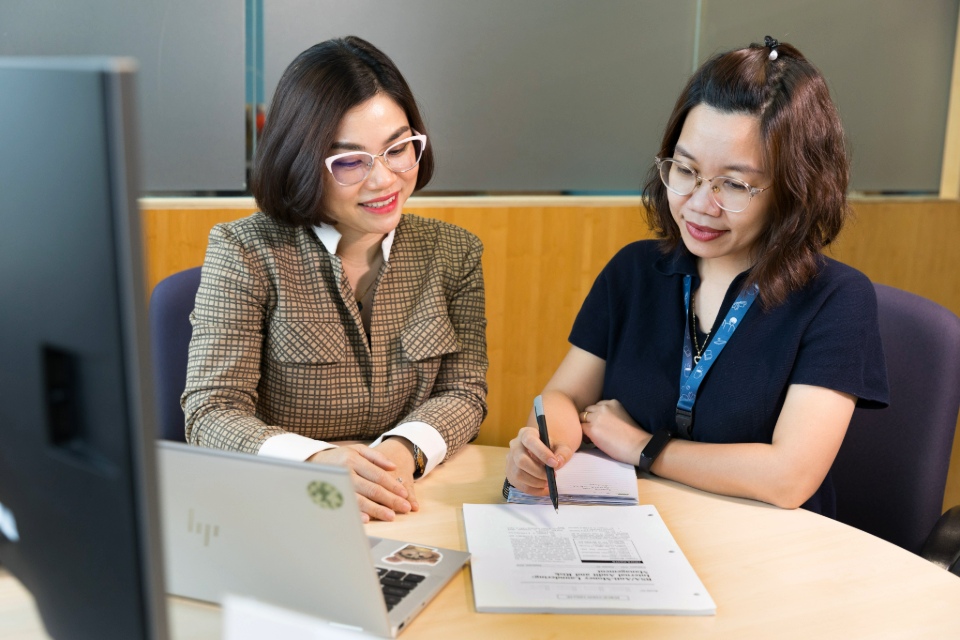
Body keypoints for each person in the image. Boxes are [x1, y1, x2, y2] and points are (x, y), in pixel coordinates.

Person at [505, 37, 888, 516]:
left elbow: (789, 478)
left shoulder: (837, 299)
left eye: (733, 183)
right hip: (645, 533)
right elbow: (564, 395)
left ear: (794, 187)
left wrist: (644, 447)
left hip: (770, 555)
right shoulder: (635, 271)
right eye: (685, 170)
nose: (699, 205)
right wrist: (548, 448)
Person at [183, 36, 488, 522]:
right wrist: (317, 461)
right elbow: (210, 412)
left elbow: (464, 391)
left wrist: (400, 451)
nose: (384, 180)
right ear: (300, 160)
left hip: (403, 503)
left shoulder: (453, 253)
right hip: (284, 509)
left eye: (399, 148)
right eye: (350, 161)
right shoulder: (244, 250)